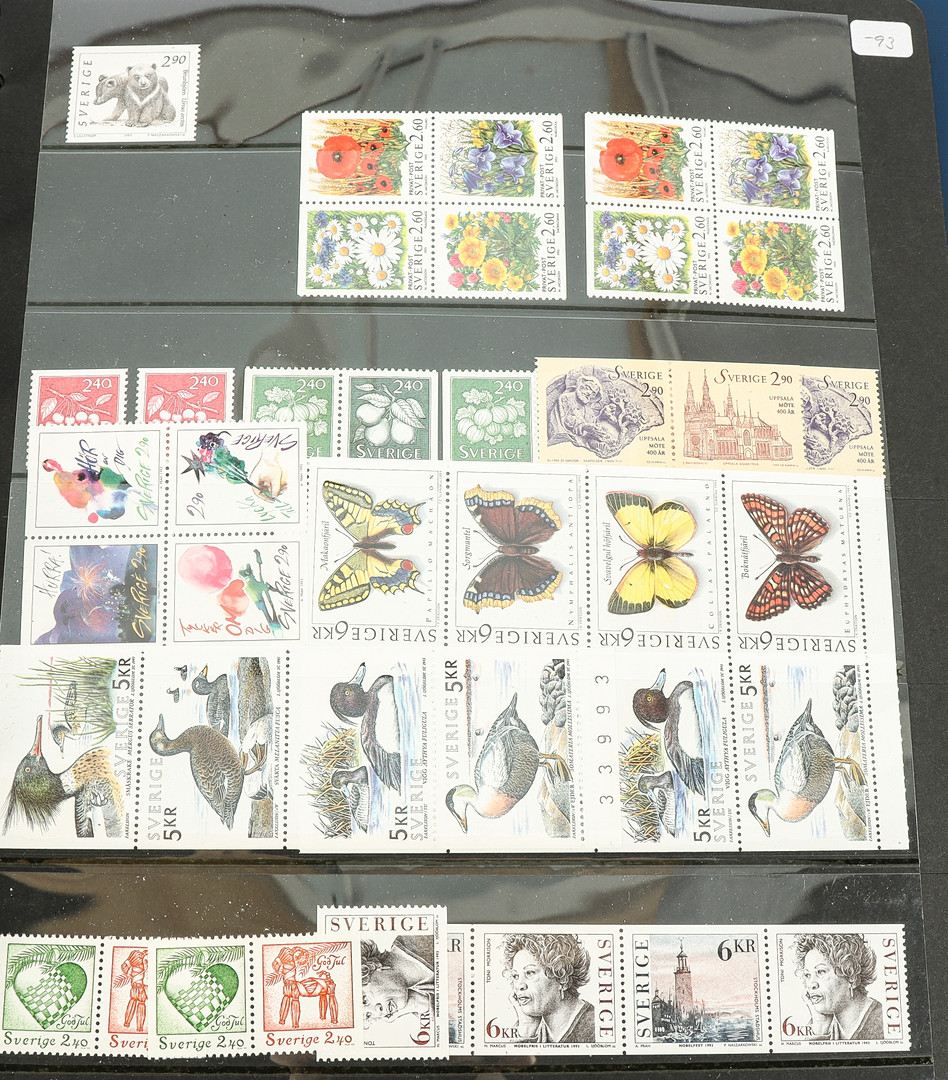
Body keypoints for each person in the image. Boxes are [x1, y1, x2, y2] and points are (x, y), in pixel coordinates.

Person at [501, 933, 596, 1043]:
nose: (519, 985)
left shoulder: (594, 1026)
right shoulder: (534, 1027)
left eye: (530, 973)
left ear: (562, 977)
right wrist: (527, 1028)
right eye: (515, 976)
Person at [792, 933, 883, 1040]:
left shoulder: (882, 1022)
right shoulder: (824, 1023)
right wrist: (820, 1025)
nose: (811, 984)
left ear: (851, 976)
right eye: (807, 975)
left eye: (821, 972)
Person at [361, 935, 435, 1025]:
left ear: (372, 967)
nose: (378, 1012)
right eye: (368, 1015)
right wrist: (414, 1004)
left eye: (365, 1000)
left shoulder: (416, 941)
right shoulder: (416, 996)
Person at [120, 948, 147, 1033]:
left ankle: (127, 1023)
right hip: (140, 986)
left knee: (133, 1000)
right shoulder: (140, 960)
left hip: (135, 986)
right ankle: (139, 1028)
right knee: (140, 1002)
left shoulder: (135, 960)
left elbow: (125, 968)